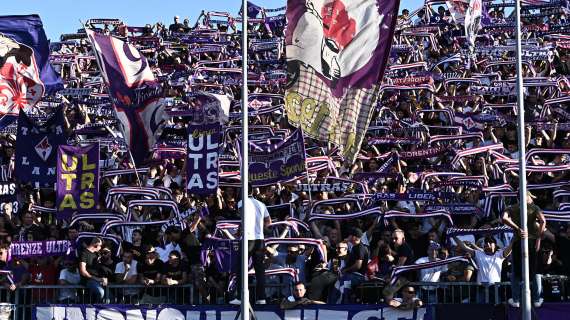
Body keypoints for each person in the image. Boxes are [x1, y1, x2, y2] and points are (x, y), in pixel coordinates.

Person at [502, 192, 546, 308]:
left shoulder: (511, 208)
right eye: (530, 197)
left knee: (516, 270)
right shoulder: (534, 208)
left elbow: (504, 218)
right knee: (535, 270)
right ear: (525, 196)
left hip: (518, 242)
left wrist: (517, 229)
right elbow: (543, 221)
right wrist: (538, 239)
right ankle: (536, 299)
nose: (531, 199)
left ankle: (516, 299)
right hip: (531, 242)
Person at [230, 185, 272, 305]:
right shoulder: (261, 204)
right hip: (259, 240)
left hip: (248, 239)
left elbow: (243, 218)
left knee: (240, 269)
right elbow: (269, 222)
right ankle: (261, 298)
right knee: (259, 270)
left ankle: (240, 297)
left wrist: (241, 229)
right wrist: (260, 228)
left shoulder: (241, 202)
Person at [79, 237, 107, 303]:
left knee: (109, 297)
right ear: (96, 245)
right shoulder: (84, 253)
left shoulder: (97, 254)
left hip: (99, 279)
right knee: (101, 292)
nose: (101, 248)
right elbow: (83, 271)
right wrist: (97, 279)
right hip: (88, 280)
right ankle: (95, 309)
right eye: (100, 246)